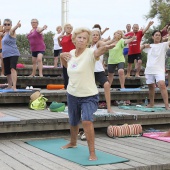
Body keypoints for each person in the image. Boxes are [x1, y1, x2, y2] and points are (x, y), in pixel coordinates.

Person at [60, 27, 115, 161]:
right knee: (73, 121)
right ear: (74, 39)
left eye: (85, 38)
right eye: (79, 37)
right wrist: (62, 56)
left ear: (87, 41)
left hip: (89, 95)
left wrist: (106, 47)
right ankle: (73, 142)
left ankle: (92, 152)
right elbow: (66, 67)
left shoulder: (90, 53)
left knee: (86, 121)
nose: (82, 40)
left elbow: (98, 52)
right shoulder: (71, 53)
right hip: (72, 93)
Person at [141, 30, 170, 110]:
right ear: (153, 37)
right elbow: (138, 49)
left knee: (162, 85)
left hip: (159, 70)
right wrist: (144, 46)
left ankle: (167, 105)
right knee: (151, 87)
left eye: (159, 35)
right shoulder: (149, 46)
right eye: (156, 35)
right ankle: (151, 103)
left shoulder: (163, 45)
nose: (158, 36)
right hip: (149, 69)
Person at [91, 28, 115, 113]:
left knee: (107, 85)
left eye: (97, 35)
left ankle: (109, 108)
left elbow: (104, 44)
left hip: (98, 70)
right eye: (93, 35)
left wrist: (112, 40)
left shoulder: (99, 43)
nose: (95, 36)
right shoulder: (89, 45)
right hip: (89, 70)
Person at [1, 19, 21, 90]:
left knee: (12, 69)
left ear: (11, 25)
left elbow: (13, 30)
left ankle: (14, 86)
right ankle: (9, 85)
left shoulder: (11, 32)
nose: (7, 26)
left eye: (8, 24)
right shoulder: (4, 34)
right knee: (7, 72)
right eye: (5, 24)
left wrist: (17, 26)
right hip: (5, 55)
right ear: (3, 25)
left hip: (13, 54)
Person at [58, 23, 75, 89]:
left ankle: (72, 86)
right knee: (65, 71)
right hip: (64, 55)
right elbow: (60, 45)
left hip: (71, 55)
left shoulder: (72, 36)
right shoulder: (63, 37)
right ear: (65, 29)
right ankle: (66, 86)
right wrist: (58, 38)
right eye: (67, 28)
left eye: (70, 28)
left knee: (71, 71)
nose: (69, 29)